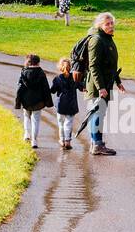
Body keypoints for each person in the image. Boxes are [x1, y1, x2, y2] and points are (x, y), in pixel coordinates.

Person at [83, 12, 124, 156]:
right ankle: (97, 145)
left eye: (112, 23)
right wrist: (100, 87)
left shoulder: (107, 39)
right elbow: (93, 66)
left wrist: (118, 82)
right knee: (97, 115)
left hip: (106, 83)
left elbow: (112, 65)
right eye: (107, 24)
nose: (111, 26)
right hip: (97, 86)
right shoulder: (97, 40)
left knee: (98, 114)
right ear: (100, 25)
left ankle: (95, 143)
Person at [13, 54, 53, 149]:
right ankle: (34, 140)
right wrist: (48, 102)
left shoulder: (23, 72)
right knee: (36, 120)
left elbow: (20, 88)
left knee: (26, 116)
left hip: (26, 100)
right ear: (38, 62)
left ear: (28, 62)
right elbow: (46, 88)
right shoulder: (41, 73)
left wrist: (18, 101)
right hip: (38, 101)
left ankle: (27, 134)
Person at [50, 56, 80, 149]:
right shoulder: (74, 78)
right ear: (70, 67)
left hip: (61, 105)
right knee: (69, 123)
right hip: (71, 105)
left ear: (60, 67)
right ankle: (68, 141)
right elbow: (81, 86)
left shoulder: (57, 79)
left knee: (61, 124)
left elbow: (53, 91)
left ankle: (62, 140)